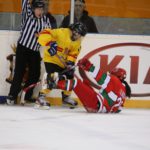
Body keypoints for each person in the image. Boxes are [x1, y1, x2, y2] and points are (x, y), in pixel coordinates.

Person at [6, 0, 56, 105]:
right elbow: (24, 2)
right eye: (38, 9)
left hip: (34, 50)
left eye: (42, 9)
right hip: (23, 47)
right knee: (19, 72)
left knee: (35, 73)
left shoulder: (45, 19)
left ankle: (27, 95)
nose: (40, 11)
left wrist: (48, 42)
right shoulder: (27, 14)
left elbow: (48, 34)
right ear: (33, 9)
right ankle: (12, 95)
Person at [49, 58, 131, 113]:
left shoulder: (115, 81)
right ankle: (65, 77)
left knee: (76, 83)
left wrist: (89, 66)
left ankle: (52, 84)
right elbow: (118, 109)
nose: (110, 75)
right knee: (85, 83)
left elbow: (101, 77)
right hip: (97, 107)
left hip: (95, 103)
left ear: (116, 75)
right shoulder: (123, 90)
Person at [36, 22, 87, 109]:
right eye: (80, 35)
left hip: (62, 62)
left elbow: (73, 54)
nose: (80, 38)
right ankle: (41, 97)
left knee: (70, 75)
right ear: (75, 32)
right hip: (51, 59)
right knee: (53, 77)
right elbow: (44, 33)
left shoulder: (77, 42)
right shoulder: (62, 32)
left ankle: (66, 97)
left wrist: (70, 63)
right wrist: (50, 43)